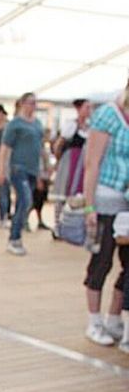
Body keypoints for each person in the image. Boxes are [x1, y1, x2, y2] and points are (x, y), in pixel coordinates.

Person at [81, 82, 129, 349]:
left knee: (127, 265)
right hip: (106, 200)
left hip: (127, 204)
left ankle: (113, 318)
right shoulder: (108, 115)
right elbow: (92, 163)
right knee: (102, 261)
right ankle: (94, 322)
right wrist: (90, 206)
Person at [0, 92, 43, 256]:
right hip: (18, 168)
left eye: (35, 103)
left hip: (32, 169)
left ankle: (16, 233)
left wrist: (40, 174)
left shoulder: (38, 124)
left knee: (23, 204)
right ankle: (14, 238)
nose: (33, 106)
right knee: (25, 199)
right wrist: (1, 169)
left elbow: (40, 149)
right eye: (30, 102)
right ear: (22, 104)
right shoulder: (15, 124)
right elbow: (5, 147)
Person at [52, 98, 91, 231]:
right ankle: (58, 225)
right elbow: (59, 144)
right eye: (87, 107)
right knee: (63, 192)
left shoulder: (90, 127)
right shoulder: (71, 125)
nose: (89, 111)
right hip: (70, 160)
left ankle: (75, 225)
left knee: (80, 194)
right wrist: (59, 161)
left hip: (83, 162)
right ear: (79, 109)